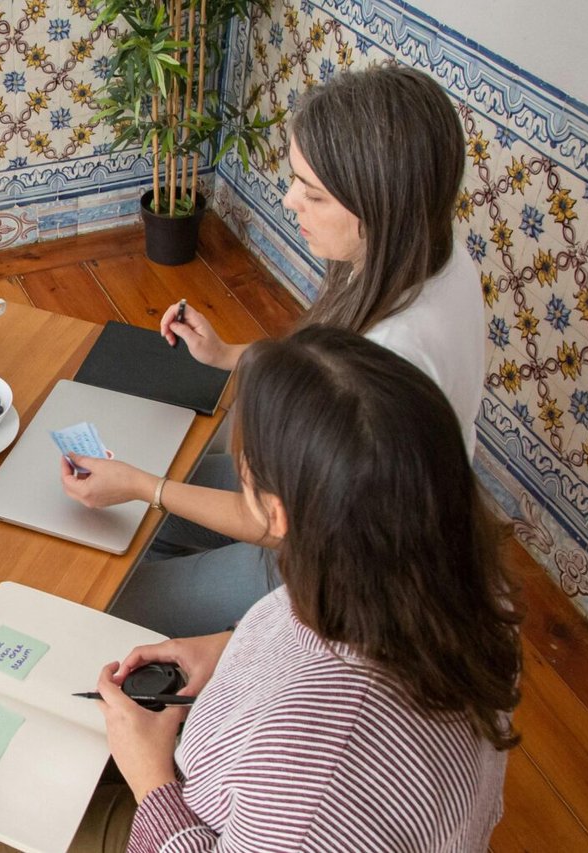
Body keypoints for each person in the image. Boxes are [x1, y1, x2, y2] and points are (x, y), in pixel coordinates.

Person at [65, 64, 485, 636]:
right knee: (137, 523)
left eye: (312, 193)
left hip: (333, 576)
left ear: (379, 207)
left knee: (99, 603)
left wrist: (146, 487)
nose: (290, 201)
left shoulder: (397, 353)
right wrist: (229, 353)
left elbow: (273, 522)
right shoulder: (437, 253)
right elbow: (329, 375)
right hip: (323, 512)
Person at [69, 327, 520, 851]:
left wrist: (150, 779)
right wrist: (231, 647)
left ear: (277, 513)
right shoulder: (449, 571)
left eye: (244, 467)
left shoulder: (312, 765)